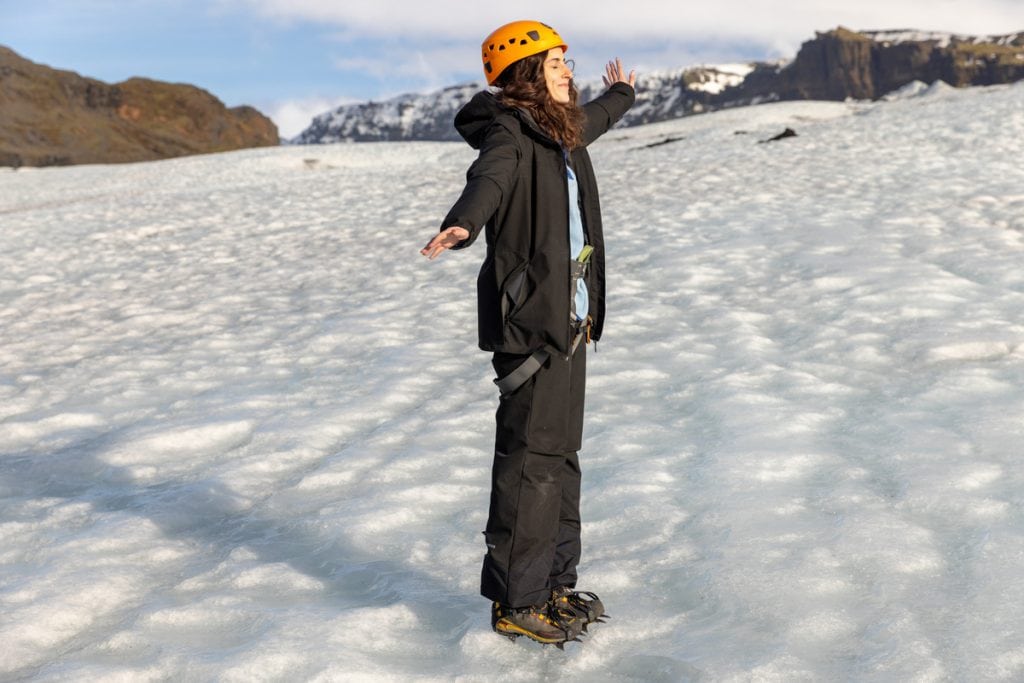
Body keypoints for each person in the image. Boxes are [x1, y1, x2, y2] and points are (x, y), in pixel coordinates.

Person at [420, 19, 636, 647]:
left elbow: (594, 117)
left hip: (570, 320)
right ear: (527, 74)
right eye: (556, 62)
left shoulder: (562, 133)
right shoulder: (510, 134)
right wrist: (462, 226)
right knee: (530, 465)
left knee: (560, 458)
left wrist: (621, 95)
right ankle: (516, 601)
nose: (569, 70)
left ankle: (554, 584)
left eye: (568, 60)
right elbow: (487, 181)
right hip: (532, 325)